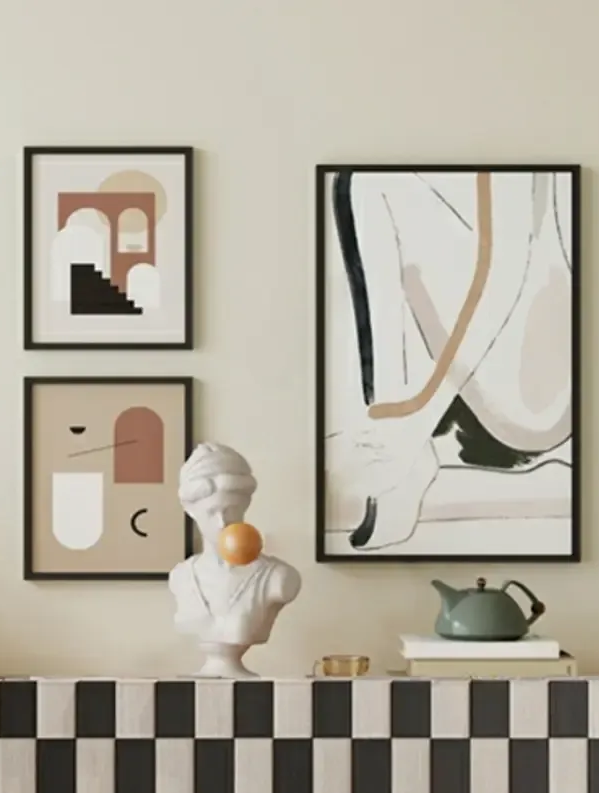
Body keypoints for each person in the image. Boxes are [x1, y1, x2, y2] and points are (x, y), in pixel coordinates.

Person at [325, 169, 574, 552]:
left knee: (366, 182)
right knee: (369, 183)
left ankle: (398, 442)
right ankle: (394, 434)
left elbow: (503, 278)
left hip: (531, 397)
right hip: (465, 393)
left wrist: (410, 423)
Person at [170, 444, 300, 677]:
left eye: (231, 510)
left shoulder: (277, 577)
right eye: (211, 512)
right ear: (190, 510)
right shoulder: (181, 576)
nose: (222, 523)